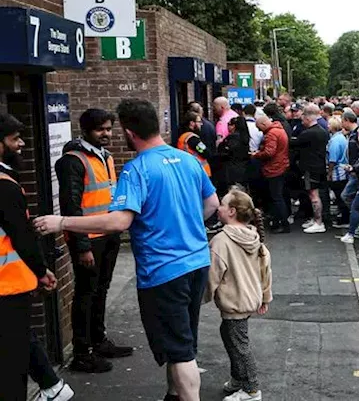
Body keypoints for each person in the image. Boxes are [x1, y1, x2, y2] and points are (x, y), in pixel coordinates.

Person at [35, 99, 219, 401]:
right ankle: (174, 395)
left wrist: (62, 222)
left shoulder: (136, 170)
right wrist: (182, 224)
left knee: (180, 350)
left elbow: (120, 221)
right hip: (197, 263)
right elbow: (212, 204)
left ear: (129, 132)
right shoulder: (188, 160)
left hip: (164, 272)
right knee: (181, 342)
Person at [55, 108, 133, 374]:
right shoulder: (73, 161)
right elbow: (71, 207)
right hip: (89, 239)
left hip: (108, 235)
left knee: (101, 290)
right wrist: (82, 246)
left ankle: (98, 340)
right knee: (86, 294)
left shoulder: (105, 157)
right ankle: (82, 352)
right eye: (101, 129)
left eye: (109, 129)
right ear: (86, 130)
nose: (107, 134)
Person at [0, 114, 59, 400]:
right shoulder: (5, 185)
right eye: (14, 139)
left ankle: (52, 385)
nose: (21, 144)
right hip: (8, 286)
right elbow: (21, 237)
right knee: (12, 361)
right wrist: (42, 270)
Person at [207, 188, 273, 401]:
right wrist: (265, 297)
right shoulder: (253, 236)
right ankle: (238, 379)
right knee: (229, 336)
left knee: (240, 345)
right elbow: (265, 270)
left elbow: (212, 276)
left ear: (232, 211)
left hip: (234, 302)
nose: (218, 207)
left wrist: (198, 300)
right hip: (249, 299)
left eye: (223, 204)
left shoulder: (221, 241)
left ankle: (252, 389)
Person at [252, 109, 290, 233]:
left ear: (263, 124)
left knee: (276, 197)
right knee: (279, 196)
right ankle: (281, 222)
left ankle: (282, 224)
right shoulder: (279, 130)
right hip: (281, 165)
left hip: (274, 168)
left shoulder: (271, 134)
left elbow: (269, 152)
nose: (259, 131)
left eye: (259, 128)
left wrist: (257, 154)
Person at [293, 105, 329, 234]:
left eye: (303, 119)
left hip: (310, 167)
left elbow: (293, 144)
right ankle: (316, 220)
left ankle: (319, 222)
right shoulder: (323, 132)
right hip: (319, 165)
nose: (302, 122)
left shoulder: (307, 133)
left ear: (308, 119)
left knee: (313, 195)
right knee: (316, 194)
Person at [327, 113, 354, 227]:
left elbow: (332, 158)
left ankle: (345, 219)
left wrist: (329, 173)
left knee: (340, 196)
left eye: (329, 124)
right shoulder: (341, 137)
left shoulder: (335, 140)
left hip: (338, 172)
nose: (327, 126)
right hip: (343, 170)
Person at [218, 116, 251, 193]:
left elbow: (225, 152)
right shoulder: (245, 137)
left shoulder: (232, 138)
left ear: (233, 126)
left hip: (231, 171)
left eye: (229, 124)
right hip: (243, 170)